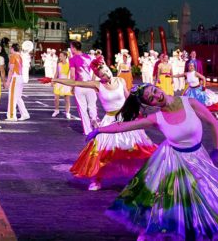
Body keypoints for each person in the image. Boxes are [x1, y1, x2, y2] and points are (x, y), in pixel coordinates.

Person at [91, 83, 218, 240]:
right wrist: (99, 130)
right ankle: (149, 233)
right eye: (150, 98)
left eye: (154, 91)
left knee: (214, 195)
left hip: (198, 158)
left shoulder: (189, 102)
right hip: (173, 160)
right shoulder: (157, 118)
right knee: (165, 199)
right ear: (149, 105)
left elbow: (212, 121)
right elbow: (123, 126)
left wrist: (216, 148)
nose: (156, 95)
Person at [46, 57, 156, 191]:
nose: (107, 75)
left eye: (108, 71)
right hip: (110, 120)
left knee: (136, 148)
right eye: (103, 74)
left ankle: (142, 178)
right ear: (98, 76)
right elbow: (74, 82)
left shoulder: (120, 80)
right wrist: (54, 79)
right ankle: (96, 179)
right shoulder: (97, 85)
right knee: (101, 152)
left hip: (126, 119)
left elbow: (128, 98)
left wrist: (138, 113)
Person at [69, 41, 98, 135]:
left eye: (71, 47)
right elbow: (95, 71)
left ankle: (87, 130)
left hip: (79, 86)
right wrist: (94, 83)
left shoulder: (72, 59)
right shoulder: (89, 57)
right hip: (89, 85)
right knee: (92, 106)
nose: (70, 49)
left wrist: (72, 87)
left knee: (82, 109)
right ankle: (95, 122)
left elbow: (73, 76)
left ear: (74, 48)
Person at [5, 43, 30, 122]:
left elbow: (11, 70)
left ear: (12, 48)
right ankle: (25, 114)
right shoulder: (20, 56)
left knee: (12, 97)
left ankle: (12, 116)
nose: (10, 50)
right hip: (20, 77)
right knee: (18, 97)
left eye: (10, 48)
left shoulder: (13, 56)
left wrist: (8, 82)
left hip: (15, 78)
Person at [51, 51, 72, 119]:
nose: (60, 57)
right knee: (56, 98)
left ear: (65, 57)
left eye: (61, 56)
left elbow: (72, 75)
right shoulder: (58, 64)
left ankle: (67, 112)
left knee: (67, 99)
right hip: (59, 82)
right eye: (59, 56)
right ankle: (56, 110)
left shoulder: (69, 64)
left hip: (66, 82)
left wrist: (72, 83)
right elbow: (56, 73)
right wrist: (53, 80)